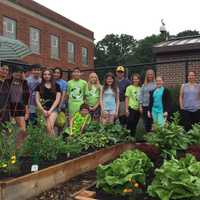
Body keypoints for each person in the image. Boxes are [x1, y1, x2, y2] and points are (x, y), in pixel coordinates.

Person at [35, 69, 61, 135]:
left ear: (51, 76)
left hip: (53, 109)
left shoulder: (57, 86)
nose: (47, 76)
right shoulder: (39, 86)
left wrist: (50, 110)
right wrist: (43, 110)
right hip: (42, 109)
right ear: (43, 76)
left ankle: (54, 144)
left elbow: (57, 100)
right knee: (44, 129)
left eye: (48, 74)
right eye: (45, 74)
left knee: (49, 127)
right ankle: (50, 143)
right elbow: (37, 100)